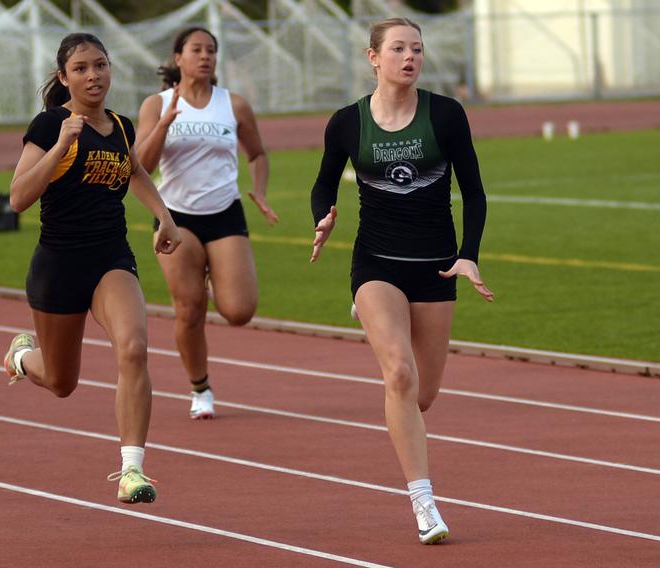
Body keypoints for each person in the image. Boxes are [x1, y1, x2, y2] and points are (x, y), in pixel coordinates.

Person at [309, 18, 493, 544]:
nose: (409, 56)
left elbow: (474, 192)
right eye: (397, 48)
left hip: (435, 268)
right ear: (373, 57)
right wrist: (324, 216)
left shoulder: (446, 114)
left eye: (417, 48)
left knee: (423, 395)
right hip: (377, 265)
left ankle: (385, 338)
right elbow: (323, 184)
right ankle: (424, 502)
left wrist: (468, 256)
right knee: (400, 376)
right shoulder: (347, 122)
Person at [2, 33, 181, 504]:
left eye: (100, 65)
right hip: (59, 265)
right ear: (64, 78)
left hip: (110, 258)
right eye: (80, 68)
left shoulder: (120, 126)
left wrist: (164, 215)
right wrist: (60, 146)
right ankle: (22, 357)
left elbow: (135, 171)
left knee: (135, 347)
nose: (93, 75)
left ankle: (131, 471)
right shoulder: (48, 125)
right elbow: (18, 198)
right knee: (62, 383)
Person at [135, 27, 278, 420]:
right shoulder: (156, 104)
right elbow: (141, 167)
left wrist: (260, 191)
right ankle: (201, 388)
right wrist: (164, 124)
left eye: (211, 50)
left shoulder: (233, 104)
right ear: (178, 57)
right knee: (189, 307)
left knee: (239, 311)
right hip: (175, 217)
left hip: (224, 212)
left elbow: (258, 153)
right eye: (196, 50)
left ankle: (218, 278)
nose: (205, 56)